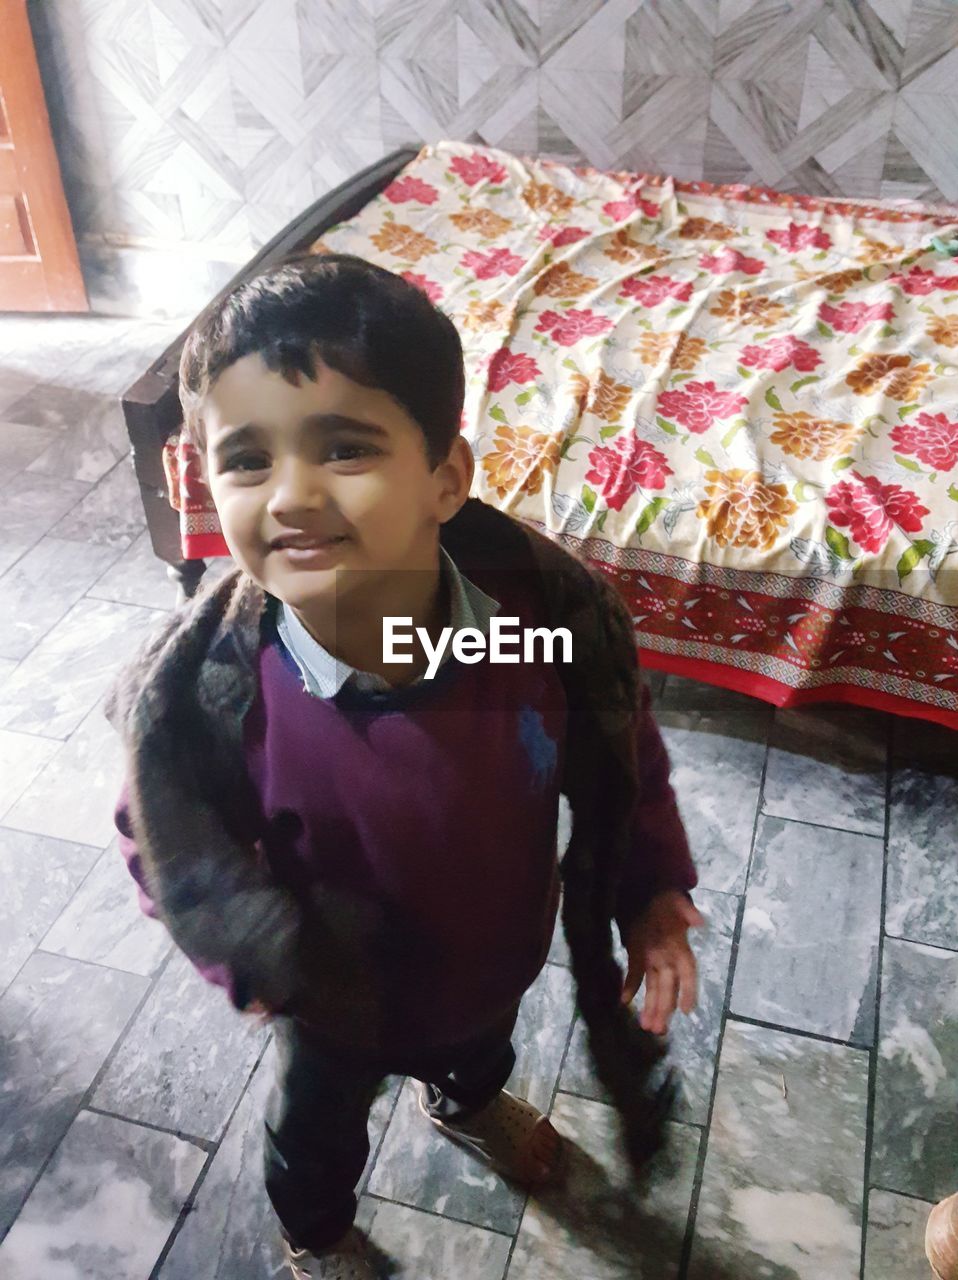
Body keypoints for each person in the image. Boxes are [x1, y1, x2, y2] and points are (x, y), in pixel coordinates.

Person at [107, 253, 702, 1280]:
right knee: (318, 1125)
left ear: (446, 478)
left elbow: (619, 740)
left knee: (481, 1045)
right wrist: (249, 947)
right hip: (333, 989)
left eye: (344, 447)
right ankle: (318, 1227)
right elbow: (164, 834)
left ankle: (466, 1098)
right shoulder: (223, 688)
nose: (290, 494)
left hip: (493, 945)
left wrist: (650, 885)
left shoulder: (526, 633)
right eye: (246, 459)